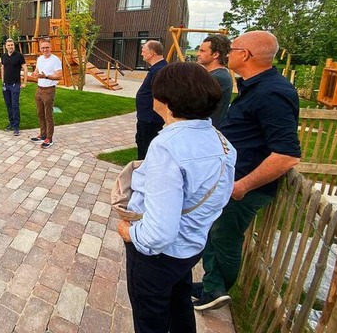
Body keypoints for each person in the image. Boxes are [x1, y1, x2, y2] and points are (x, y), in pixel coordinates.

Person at [117, 62, 236, 333]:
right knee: (179, 304)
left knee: (151, 318)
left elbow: (159, 233)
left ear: (167, 100)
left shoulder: (167, 147)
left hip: (157, 256)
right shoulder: (220, 140)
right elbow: (221, 197)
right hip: (190, 246)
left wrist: (129, 233)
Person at [194, 31, 301, 311]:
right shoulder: (255, 87)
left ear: (246, 55)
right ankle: (210, 283)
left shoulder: (272, 93)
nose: (228, 52)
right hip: (231, 179)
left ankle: (216, 290)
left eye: (234, 48)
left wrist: (242, 186)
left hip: (244, 185)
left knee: (224, 236)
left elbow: (286, 154)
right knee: (214, 233)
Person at [134, 40, 167, 160]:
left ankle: (145, 170)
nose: (141, 54)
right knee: (141, 141)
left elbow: (159, 96)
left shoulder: (160, 70)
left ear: (152, 53)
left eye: (143, 51)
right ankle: (141, 166)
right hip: (145, 116)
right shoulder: (156, 68)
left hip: (150, 118)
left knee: (147, 145)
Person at [31, 38, 63, 149]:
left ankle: (49, 138)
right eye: (43, 48)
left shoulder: (55, 60)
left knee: (48, 115)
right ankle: (42, 134)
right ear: (40, 49)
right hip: (39, 89)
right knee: (40, 113)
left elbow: (59, 75)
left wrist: (46, 76)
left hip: (49, 90)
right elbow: (37, 70)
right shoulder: (39, 58)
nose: (45, 49)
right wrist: (35, 73)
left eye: (47, 47)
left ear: (51, 48)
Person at [196, 34, 232, 128]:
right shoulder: (217, 75)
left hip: (206, 129)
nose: (197, 54)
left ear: (215, 54)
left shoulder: (217, 77)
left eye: (202, 51)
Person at [0, 38, 28, 136]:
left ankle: (16, 127)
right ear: (6, 46)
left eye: (12, 45)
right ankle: (11, 123)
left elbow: (25, 68)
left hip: (15, 84)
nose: (10, 46)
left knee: (15, 105)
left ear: (13, 45)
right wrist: (2, 81)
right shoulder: (3, 56)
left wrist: (24, 82)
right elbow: (3, 68)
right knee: (8, 104)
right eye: (8, 45)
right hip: (6, 85)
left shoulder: (19, 56)